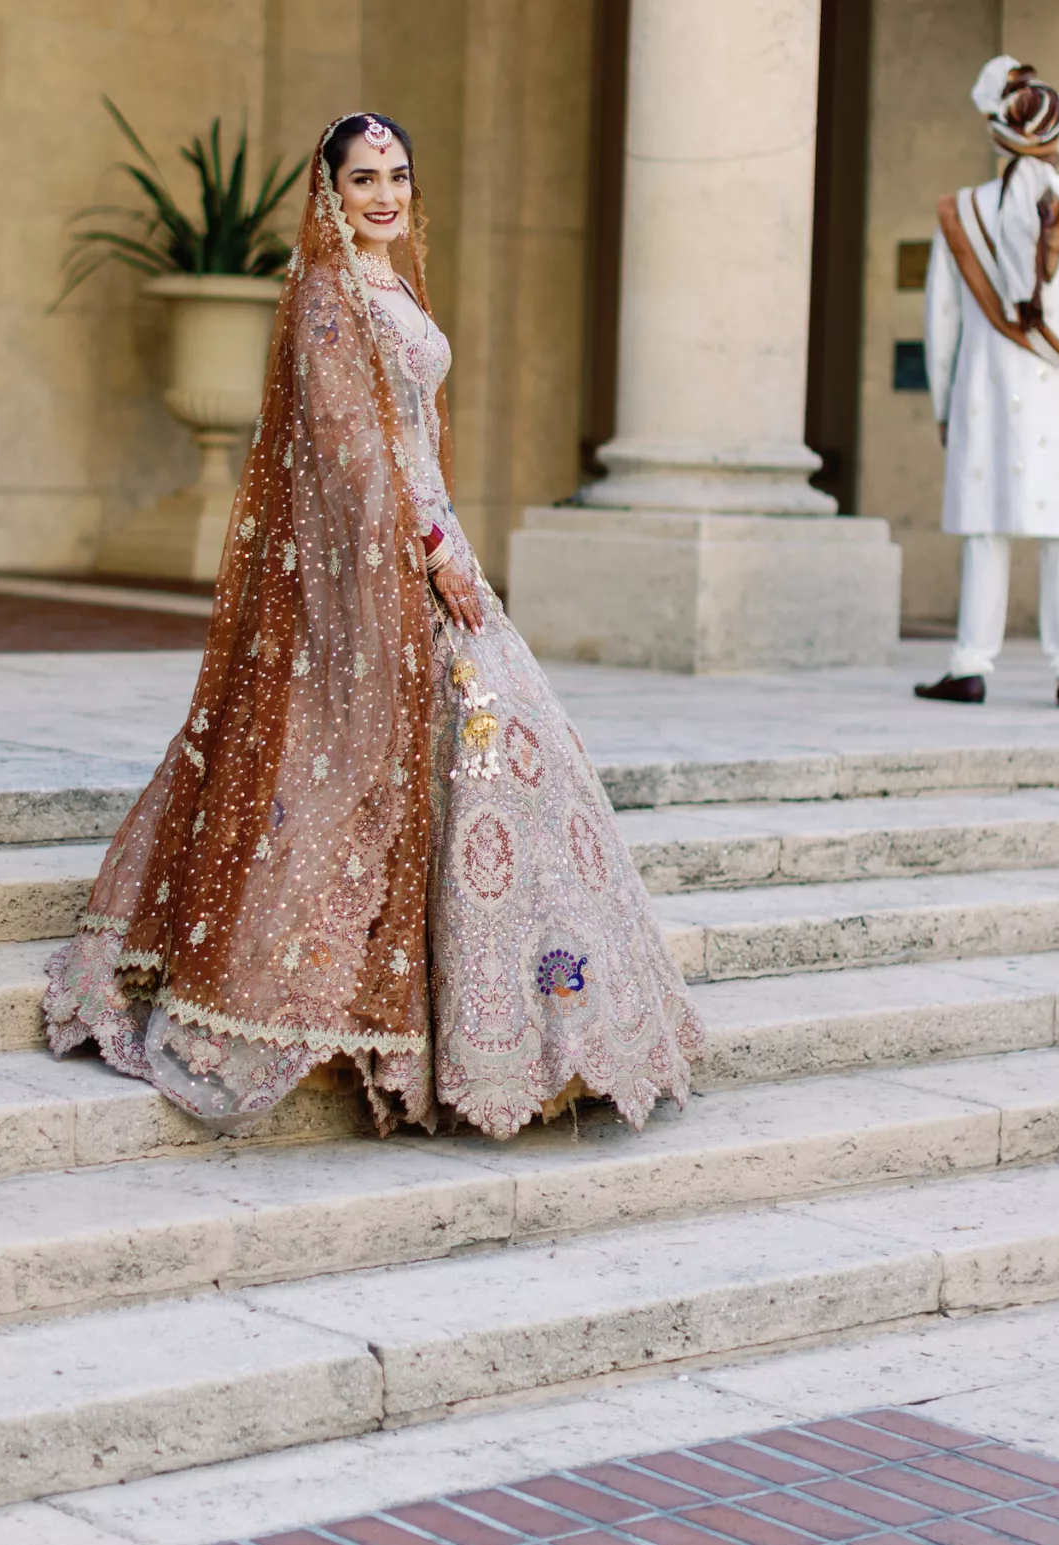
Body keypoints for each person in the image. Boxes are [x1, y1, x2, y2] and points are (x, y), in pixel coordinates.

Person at [45, 113, 703, 1139]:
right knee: (479, 748)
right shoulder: (323, 297)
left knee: (514, 756)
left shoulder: (390, 283)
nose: (384, 194)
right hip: (396, 565)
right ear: (330, 194)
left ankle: (548, 1029)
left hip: (439, 550)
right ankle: (434, 1029)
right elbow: (354, 458)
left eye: (397, 174)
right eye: (363, 179)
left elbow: (409, 436)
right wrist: (432, 553)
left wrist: (449, 545)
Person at [915, 56, 1059, 709]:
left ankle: (970, 664)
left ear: (997, 138)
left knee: (987, 530)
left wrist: (941, 405)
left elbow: (941, 323)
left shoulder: (960, 211)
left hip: (984, 399)